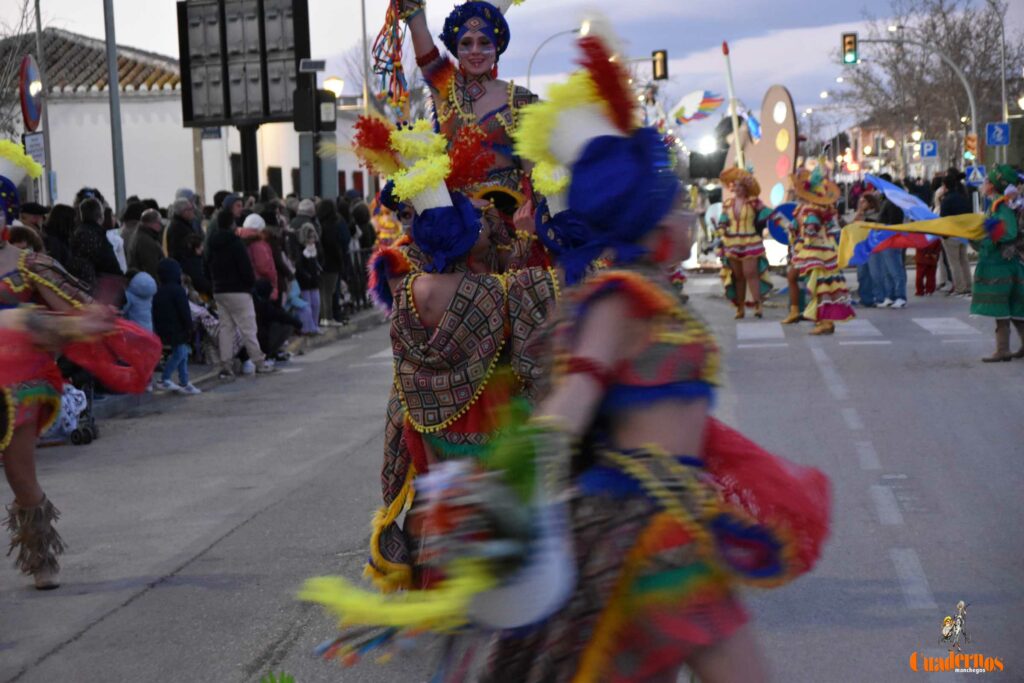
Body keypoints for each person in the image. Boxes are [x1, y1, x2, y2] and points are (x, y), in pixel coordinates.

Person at [1, 205, 160, 589]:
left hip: (16, 386)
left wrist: (86, 320)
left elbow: (69, 312)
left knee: (20, 476)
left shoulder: (27, 263)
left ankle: (40, 556)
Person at [775, 167, 855, 334]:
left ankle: (825, 322)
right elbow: (796, 228)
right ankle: (795, 311)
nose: (795, 191)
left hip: (818, 251)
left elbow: (812, 229)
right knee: (795, 278)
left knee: (820, 286)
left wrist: (810, 230)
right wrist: (782, 223)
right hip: (808, 250)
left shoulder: (814, 210)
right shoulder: (804, 209)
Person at [205, 207, 276, 379]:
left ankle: (226, 365)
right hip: (239, 291)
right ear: (231, 224)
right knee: (248, 328)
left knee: (226, 328)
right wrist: (251, 285)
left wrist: (214, 283)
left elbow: (205, 265)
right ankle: (259, 362)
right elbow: (245, 268)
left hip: (219, 290)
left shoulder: (211, 243)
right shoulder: (235, 243)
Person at [972, 165, 1024, 362]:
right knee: (1014, 306)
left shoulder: (1000, 206)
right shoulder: (998, 204)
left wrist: (986, 237)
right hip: (1004, 263)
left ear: (992, 186)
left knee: (1002, 307)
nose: (983, 184)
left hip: (1001, 265)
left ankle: (1002, 349)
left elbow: (1007, 232)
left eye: (986, 181)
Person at [718, 167, 769, 319]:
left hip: (750, 240)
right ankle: (740, 308)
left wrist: (785, 224)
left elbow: (769, 213)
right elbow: (723, 221)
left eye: (741, 186)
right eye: (736, 185)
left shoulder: (754, 202)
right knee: (738, 276)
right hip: (732, 242)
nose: (737, 188)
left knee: (750, 273)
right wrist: (721, 230)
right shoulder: (728, 204)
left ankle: (758, 304)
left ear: (746, 188)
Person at [152, 259, 201, 394]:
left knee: (182, 354)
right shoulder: (178, 290)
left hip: (164, 328)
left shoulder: (159, 291)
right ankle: (165, 379)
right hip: (178, 328)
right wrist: (190, 326)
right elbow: (184, 311)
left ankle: (184, 381)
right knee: (181, 353)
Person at [68, 197, 123, 289]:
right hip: (94, 286)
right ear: (100, 216)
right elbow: (110, 263)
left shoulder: (76, 233)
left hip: (76, 283)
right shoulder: (99, 235)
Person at [873, 174, 908, 309]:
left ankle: (900, 296)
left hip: (891, 238)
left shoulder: (893, 202)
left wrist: (882, 227)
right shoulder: (887, 200)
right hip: (884, 238)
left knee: (895, 269)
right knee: (887, 270)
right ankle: (890, 296)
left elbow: (894, 222)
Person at [939, 170, 974, 297]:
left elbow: (943, 219)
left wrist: (944, 235)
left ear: (945, 186)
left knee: (954, 263)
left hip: (951, 235)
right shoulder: (963, 197)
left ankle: (960, 288)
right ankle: (969, 285)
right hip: (963, 233)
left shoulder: (946, 200)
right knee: (964, 260)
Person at [252, 278, 301, 361]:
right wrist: (297, 323)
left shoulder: (256, 301)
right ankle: (268, 352)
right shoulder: (263, 305)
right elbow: (280, 315)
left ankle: (269, 353)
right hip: (261, 340)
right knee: (287, 326)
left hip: (257, 339)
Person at [315, 199, 345, 326]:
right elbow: (334, 246)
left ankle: (323, 317)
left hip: (321, 262)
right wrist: (340, 260)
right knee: (329, 291)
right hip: (331, 263)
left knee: (323, 291)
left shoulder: (318, 224)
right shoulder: (331, 225)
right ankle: (328, 317)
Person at [851, 193, 882, 307]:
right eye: (860, 201)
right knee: (862, 273)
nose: (861, 203)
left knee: (874, 273)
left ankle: (879, 297)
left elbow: (874, 224)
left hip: (872, 246)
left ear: (870, 202)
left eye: (863, 201)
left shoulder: (876, 214)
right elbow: (852, 225)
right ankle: (865, 298)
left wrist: (862, 216)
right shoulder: (860, 214)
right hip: (861, 246)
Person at [239, 213, 279, 301]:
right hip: (262, 285)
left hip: (247, 285)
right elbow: (264, 267)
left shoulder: (239, 239)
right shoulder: (258, 243)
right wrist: (273, 279)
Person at [294, 223, 324, 335]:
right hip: (305, 282)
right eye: (309, 237)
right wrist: (306, 275)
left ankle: (315, 325)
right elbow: (299, 266)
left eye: (313, 236)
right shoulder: (301, 250)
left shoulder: (316, 248)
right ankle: (309, 327)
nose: (312, 239)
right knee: (308, 305)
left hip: (315, 280)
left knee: (316, 303)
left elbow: (321, 259)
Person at [128, 208, 165, 280]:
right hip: (147, 284)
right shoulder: (146, 241)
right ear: (152, 223)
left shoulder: (138, 234)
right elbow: (151, 268)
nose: (161, 226)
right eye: (159, 223)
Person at [166, 198, 198, 265]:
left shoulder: (183, 224)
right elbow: (178, 252)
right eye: (190, 209)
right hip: (185, 267)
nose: (193, 211)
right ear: (183, 211)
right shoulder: (178, 227)